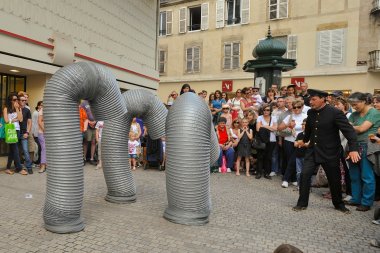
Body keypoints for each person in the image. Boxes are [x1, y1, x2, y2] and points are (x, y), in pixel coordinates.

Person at [293, 89, 360, 213]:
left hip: (331, 152)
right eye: (310, 99)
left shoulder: (335, 113)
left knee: (334, 179)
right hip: (313, 150)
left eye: (314, 99)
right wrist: (304, 140)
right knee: (304, 175)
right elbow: (309, 129)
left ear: (323, 99)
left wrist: (353, 149)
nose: (310, 102)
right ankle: (302, 203)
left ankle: (338, 204)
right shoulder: (311, 113)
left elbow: (349, 131)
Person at [347, 92, 380, 211]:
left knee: (367, 176)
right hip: (353, 145)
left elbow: (361, 129)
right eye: (352, 105)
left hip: (367, 146)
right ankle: (356, 199)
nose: (354, 107)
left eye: (355, 104)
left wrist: (350, 126)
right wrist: (351, 127)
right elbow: (350, 129)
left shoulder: (374, 113)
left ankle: (366, 202)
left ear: (363, 101)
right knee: (354, 175)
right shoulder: (354, 114)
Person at [280, 99, 307, 187]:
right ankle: (293, 178)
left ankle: (286, 179)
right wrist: (288, 125)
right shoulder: (290, 116)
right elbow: (279, 128)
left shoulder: (306, 116)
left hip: (300, 141)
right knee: (290, 160)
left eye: (298, 107)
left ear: (302, 107)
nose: (296, 109)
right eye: (294, 107)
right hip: (289, 140)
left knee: (293, 160)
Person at [3, 93, 24, 175]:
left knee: (12, 150)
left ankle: (8, 168)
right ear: (10, 100)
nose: (16, 101)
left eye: (17, 99)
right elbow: (6, 120)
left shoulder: (19, 108)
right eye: (14, 100)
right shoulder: (6, 108)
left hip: (17, 130)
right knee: (15, 149)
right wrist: (14, 119)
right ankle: (19, 168)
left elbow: (21, 119)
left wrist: (17, 109)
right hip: (10, 130)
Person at [256, 104, 277, 179]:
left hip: (272, 140)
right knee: (260, 156)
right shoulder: (259, 117)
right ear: (262, 111)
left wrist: (263, 126)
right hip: (262, 140)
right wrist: (269, 127)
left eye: (268, 110)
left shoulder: (273, 118)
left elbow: (275, 128)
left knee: (268, 157)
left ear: (270, 111)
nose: (266, 111)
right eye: (264, 110)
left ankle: (267, 173)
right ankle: (259, 172)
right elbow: (258, 129)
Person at [18, 94, 33, 174]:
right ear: (19, 101)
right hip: (15, 133)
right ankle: (18, 166)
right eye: (22, 100)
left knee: (25, 150)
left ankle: (29, 167)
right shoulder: (15, 109)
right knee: (16, 151)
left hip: (24, 133)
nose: (24, 101)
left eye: (25, 100)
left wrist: (27, 132)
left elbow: (30, 122)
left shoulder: (27, 110)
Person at [294, 118, 308, 189]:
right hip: (298, 155)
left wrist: (301, 143)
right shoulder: (299, 134)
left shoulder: (310, 135)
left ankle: (307, 186)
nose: (303, 126)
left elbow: (309, 144)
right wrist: (302, 143)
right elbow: (295, 144)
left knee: (306, 173)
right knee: (299, 172)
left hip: (307, 156)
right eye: (302, 124)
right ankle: (299, 185)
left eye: (305, 125)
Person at [31, 101, 43, 166]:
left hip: (41, 132)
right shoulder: (35, 113)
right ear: (38, 106)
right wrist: (32, 132)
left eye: (43, 105)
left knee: (41, 148)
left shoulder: (41, 112)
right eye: (41, 105)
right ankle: (37, 161)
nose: (42, 106)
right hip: (36, 133)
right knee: (39, 147)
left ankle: (40, 161)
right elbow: (33, 123)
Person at [38, 106, 46, 173]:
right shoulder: (42, 109)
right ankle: (42, 166)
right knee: (44, 149)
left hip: (52, 134)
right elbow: (39, 121)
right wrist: (45, 130)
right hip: (42, 132)